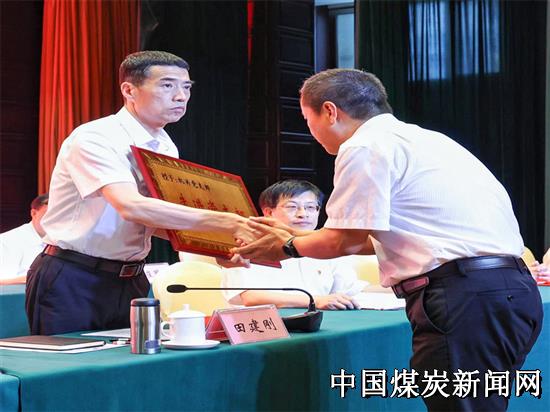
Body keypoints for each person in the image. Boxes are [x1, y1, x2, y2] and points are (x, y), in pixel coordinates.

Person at [234, 69, 543, 411]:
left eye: (308, 120)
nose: (311, 131)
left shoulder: (364, 146)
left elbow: (347, 241)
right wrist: (295, 236)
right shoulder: (430, 141)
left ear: (330, 111)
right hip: (510, 291)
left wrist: (285, 246)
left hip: (463, 299)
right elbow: (385, 235)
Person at [26, 51, 255, 336]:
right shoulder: (96, 137)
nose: (181, 96)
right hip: (75, 275)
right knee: (73, 360)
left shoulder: (165, 145)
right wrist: (226, 222)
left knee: (129, 360)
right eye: (167, 85)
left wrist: (218, 249)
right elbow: (131, 206)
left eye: (186, 87)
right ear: (129, 90)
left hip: (131, 278)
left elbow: (158, 221)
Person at [222, 180, 368, 310]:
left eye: (311, 207)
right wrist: (315, 301)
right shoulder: (248, 244)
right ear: (268, 212)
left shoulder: (327, 246)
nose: (303, 214)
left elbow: (349, 292)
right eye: (292, 207)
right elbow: (252, 297)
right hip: (262, 324)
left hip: (316, 322)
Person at [0, 194, 48, 284]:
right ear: (34, 213)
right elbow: (3, 282)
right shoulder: (8, 241)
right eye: (48, 215)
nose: (54, 220)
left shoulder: (64, 240)